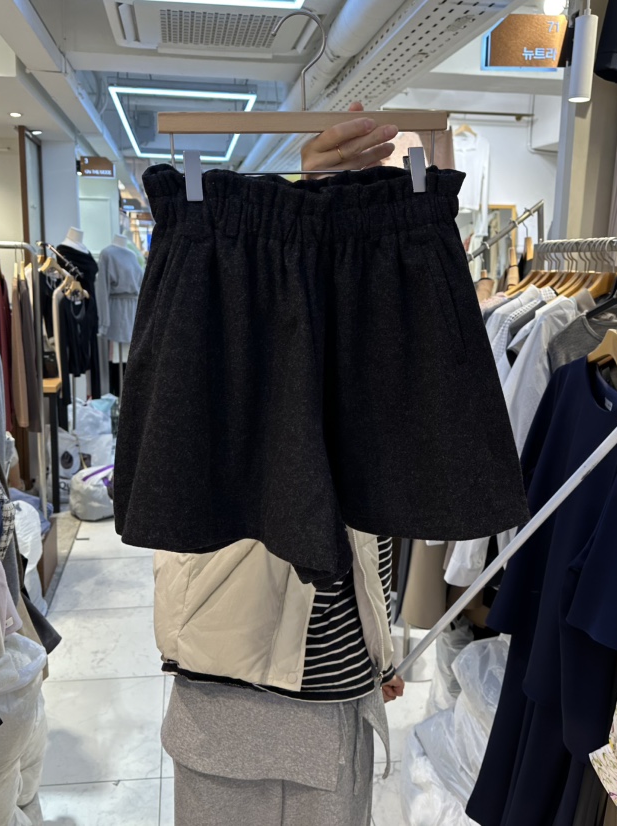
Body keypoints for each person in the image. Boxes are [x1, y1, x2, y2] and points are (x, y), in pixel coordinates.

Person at [154, 105, 407, 826]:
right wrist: (304, 198)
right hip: (236, 687)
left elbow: (371, 528)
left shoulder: (379, 324)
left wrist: (378, 647)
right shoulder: (226, 304)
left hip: (332, 685)